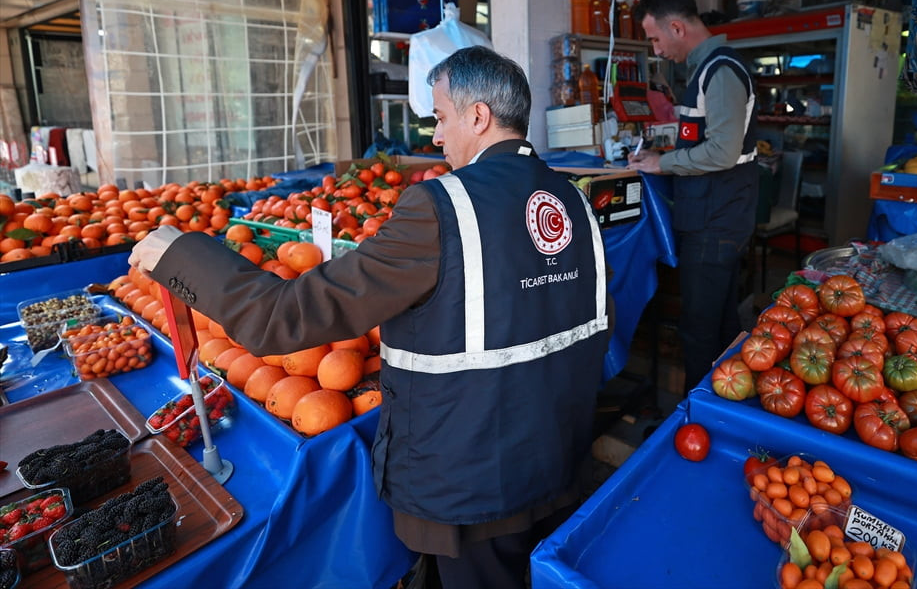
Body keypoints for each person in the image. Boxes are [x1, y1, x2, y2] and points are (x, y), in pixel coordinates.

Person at [129, 46, 609, 589]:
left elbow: (286, 316)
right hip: (557, 459)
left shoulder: (440, 207)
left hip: (473, 485)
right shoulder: (576, 201)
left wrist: (180, 256)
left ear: (478, 117)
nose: (435, 136)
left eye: (442, 117)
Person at [628, 0, 758, 390]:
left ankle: (697, 416)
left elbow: (721, 152)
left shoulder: (720, 71)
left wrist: (662, 163)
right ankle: (726, 400)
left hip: (716, 221)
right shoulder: (704, 70)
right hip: (712, 215)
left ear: (677, 28)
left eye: (655, 38)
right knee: (719, 320)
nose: (656, 49)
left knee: (701, 328)